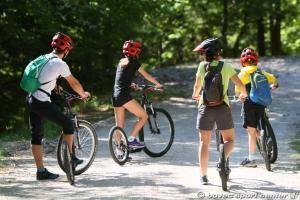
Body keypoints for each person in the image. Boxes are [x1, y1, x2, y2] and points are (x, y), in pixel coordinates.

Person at [26, 32, 90, 180]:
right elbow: (73, 83)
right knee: (68, 124)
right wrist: (83, 94)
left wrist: (56, 87)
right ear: (66, 50)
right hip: (41, 102)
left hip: (30, 98)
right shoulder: (60, 63)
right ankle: (72, 158)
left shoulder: (43, 58)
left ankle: (40, 171)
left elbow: (44, 76)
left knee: (36, 135)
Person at [192, 38, 247, 185]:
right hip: (222, 107)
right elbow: (241, 86)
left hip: (205, 107)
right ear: (218, 53)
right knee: (230, 140)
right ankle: (222, 161)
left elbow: (197, 87)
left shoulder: (202, 66)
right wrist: (243, 95)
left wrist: (195, 95)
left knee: (204, 143)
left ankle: (203, 176)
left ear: (205, 54)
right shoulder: (226, 67)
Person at [112, 40, 163, 149]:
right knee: (143, 116)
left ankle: (120, 151)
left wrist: (131, 84)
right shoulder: (134, 63)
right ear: (135, 52)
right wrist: (158, 84)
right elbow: (146, 75)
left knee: (119, 126)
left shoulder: (121, 62)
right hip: (124, 96)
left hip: (116, 96)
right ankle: (131, 140)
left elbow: (121, 79)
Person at [236, 47, 278, 167]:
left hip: (249, 104)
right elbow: (273, 79)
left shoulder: (243, 73)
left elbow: (238, 90)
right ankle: (267, 138)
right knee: (262, 119)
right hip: (262, 103)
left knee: (251, 131)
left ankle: (251, 159)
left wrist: (239, 96)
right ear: (256, 61)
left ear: (243, 62)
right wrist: (274, 85)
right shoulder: (260, 72)